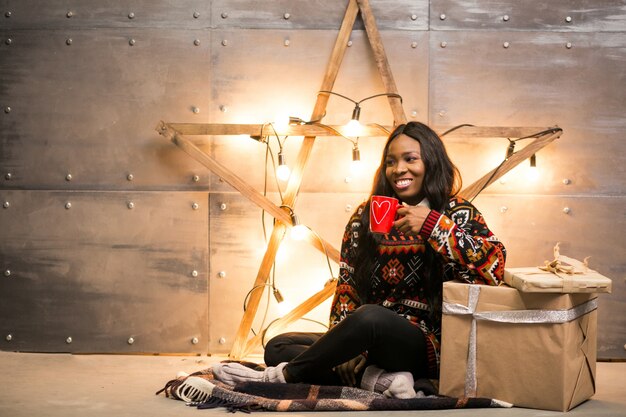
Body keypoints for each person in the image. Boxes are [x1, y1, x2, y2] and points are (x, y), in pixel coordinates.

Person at [211, 121, 506, 398]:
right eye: (390, 161)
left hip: (428, 343)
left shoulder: (455, 211)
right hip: (368, 340)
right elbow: (347, 287)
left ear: (431, 161)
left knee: (369, 317)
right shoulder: (365, 217)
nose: (398, 169)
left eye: (410, 159)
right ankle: (382, 380)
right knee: (279, 345)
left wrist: (433, 225)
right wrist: (348, 348)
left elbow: (495, 266)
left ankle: (278, 379)